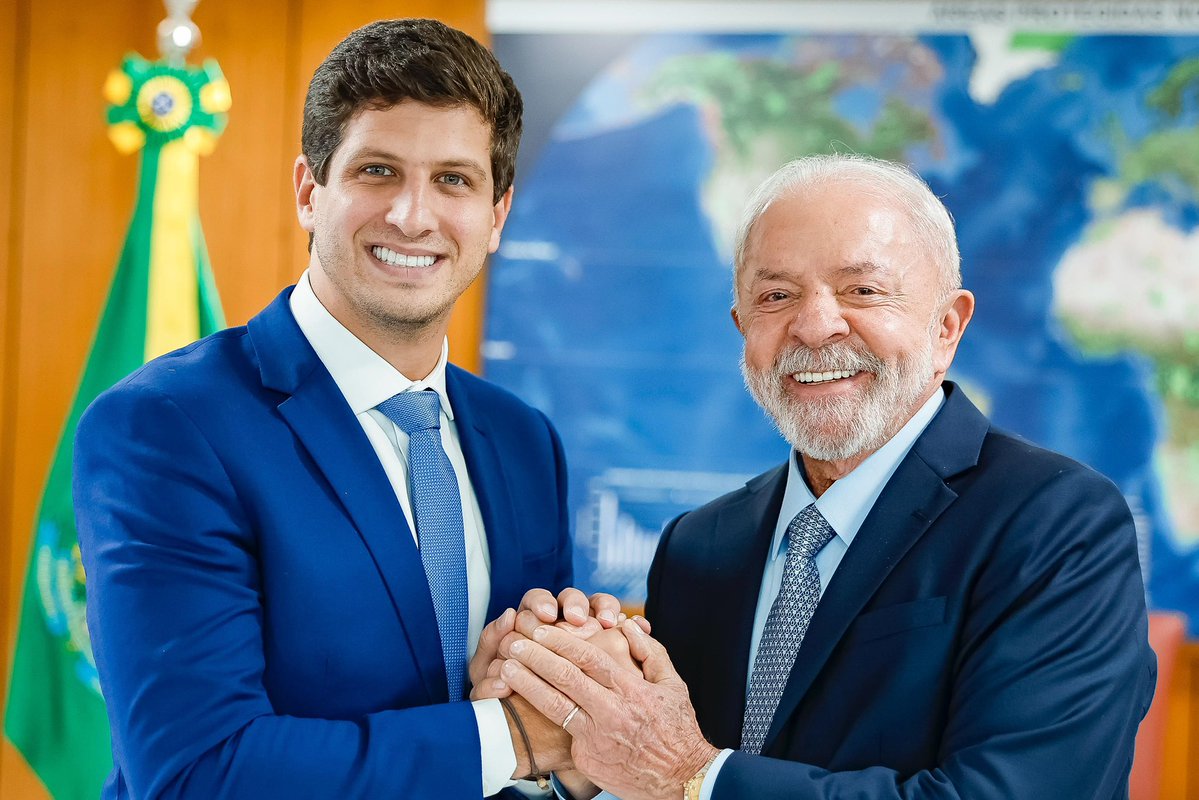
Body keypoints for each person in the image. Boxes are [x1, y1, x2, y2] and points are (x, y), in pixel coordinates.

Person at [487, 154, 1157, 799]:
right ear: (741, 328)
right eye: (775, 295)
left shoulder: (1057, 523)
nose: (813, 326)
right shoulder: (699, 545)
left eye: (862, 290)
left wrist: (692, 778)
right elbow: (660, 783)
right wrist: (577, 756)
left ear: (946, 326)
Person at [75, 18, 617, 799]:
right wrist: (516, 736)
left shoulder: (523, 440)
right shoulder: (165, 428)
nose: (411, 216)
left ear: (496, 216)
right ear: (309, 191)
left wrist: (572, 719)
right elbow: (197, 772)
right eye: (377, 171)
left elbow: (543, 721)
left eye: (454, 180)